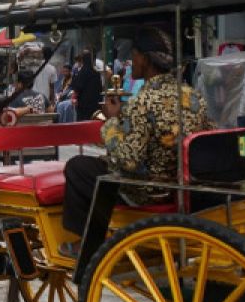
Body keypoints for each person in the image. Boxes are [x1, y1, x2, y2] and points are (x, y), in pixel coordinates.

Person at [62, 28, 214, 238]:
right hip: (180, 184)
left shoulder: (143, 101)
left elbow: (128, 159)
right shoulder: (194, 97)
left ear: (144, 59)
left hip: (147, 191)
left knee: (77, 167)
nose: (132, 61)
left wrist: (112, 121)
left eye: (134, 56)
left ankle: (86, 241)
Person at [70, 49, 103, 121]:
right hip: (95, 105)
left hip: (83, 106)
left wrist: (74, 98)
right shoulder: (96, 73)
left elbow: (77, 88)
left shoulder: (81, 72)